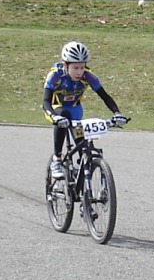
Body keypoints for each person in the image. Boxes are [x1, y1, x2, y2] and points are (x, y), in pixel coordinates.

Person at [42, 41, 127, 180]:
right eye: (75, 68)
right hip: (55, 108)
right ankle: (57, 159)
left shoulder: (88, 76)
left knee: (84, 148)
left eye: (82, 67)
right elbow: (45, 101)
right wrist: (54, 117)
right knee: (64, 115)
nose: (79, 72)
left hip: (75, 110)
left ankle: (84, 183)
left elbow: (105, 96)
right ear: (65, 65)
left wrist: (117, 113)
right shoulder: (55, 75)